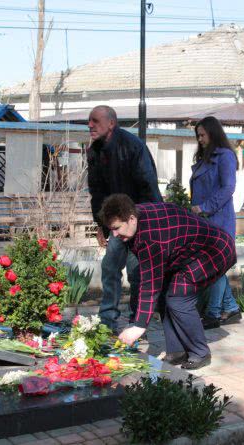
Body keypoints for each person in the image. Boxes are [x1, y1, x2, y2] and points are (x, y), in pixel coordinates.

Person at [102, 194, 237, 370]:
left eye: (117, 228)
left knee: (178, 298)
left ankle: (200, 352)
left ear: (132, 219)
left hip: (214, 250)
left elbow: (150, 285)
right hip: (189, 253)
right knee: (166, 296)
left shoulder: (150, 238)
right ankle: (177, 351)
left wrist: (139, 326)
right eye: (111, 229)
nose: (114, 234)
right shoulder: (136, 219)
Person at [87, 105, 163, 331]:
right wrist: (100, 224)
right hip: (115, 224)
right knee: (110, 267)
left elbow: (148, 186)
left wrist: (146, 223)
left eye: (95, 121)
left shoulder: (133, 147)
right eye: (88, 121)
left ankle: (137, 322)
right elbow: (96, 192)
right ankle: (107, 321)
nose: (90, 125)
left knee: (136, 272)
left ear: (111, 123)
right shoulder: (94, 151)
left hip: (138, 221)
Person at [189, 116, 241, 329]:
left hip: (218, 220)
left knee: (215, 267)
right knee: (215, 266)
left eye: (202, 134)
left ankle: (213, 313)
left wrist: (204, 207)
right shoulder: (204, 159)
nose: (200, 139)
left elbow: (228, 188)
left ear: (213, 132)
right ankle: (231, 308)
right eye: (198, 135)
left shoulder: (225, 156)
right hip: (204, 222)